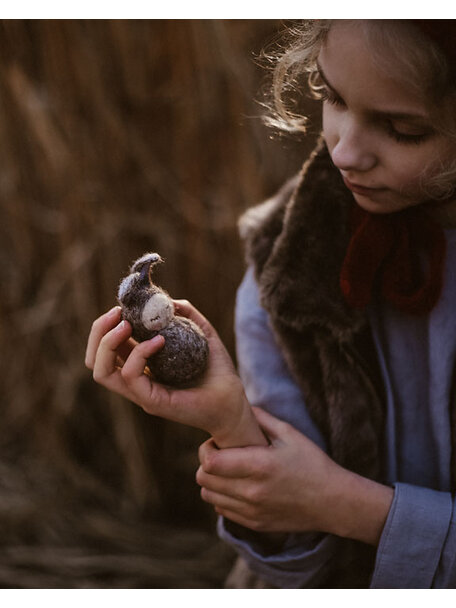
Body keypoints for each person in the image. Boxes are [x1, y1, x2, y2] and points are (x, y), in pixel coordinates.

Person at [85, 20, 456, 588]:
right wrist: (233, 424)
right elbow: (285, 569)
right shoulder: (287, 262)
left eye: (403, 129)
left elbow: (323, 504)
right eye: (333, 96)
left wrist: (349, 506)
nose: (345, 152)